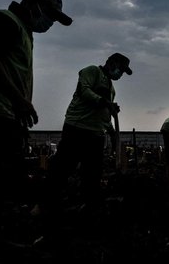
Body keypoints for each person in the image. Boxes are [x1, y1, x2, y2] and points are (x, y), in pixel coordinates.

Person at [0, 0, 72, 257]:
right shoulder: (3, 20)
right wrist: (20, 101)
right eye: (50, 15)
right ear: (33, 3)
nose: (50, 23)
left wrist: (18, 110)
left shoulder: (23, 31)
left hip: (2, 113)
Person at [46, 53, 132, 215]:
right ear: (111, 63)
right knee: (63, 167)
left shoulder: (112, 89)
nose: (120, 75)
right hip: (77, 128)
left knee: (93, 173)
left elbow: (105, 117)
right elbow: (84, 91)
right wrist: (104, 102)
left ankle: (90, 207)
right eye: (120, 70)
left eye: (122, 73)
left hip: (96, 134)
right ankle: (48, 203)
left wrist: (112, 133)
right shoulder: (92, 72)